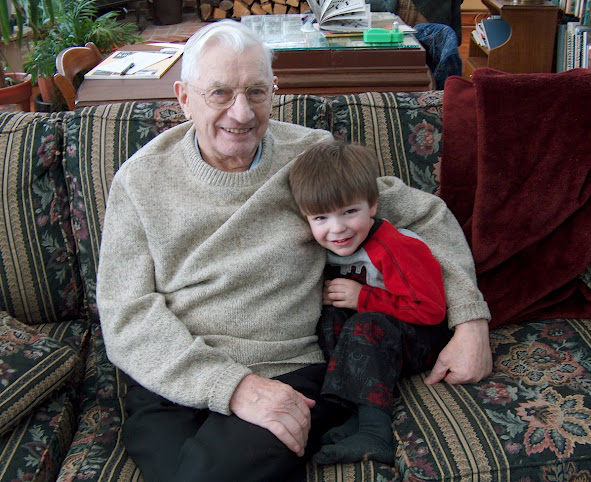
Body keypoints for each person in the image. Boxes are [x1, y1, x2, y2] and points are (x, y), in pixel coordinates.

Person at [96, 19, 492, 482]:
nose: (241, 113)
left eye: (257, 92)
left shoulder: (310, 159)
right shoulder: (141, 180)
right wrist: (232, 386)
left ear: (274, 90)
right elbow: (126, 312)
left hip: (286, 370)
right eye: (220, 93)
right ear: (184, 98)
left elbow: (425, 214)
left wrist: (471, 322)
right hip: (174, 375)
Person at [289, 139, 452, 465]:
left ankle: (375, 434)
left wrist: (362, 297)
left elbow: (431, 310)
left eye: (350, 212)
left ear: (373, 206)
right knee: (332, 317)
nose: (337, 229)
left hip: (424, 336)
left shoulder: (395, 247)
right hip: (381, 337)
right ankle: (352, 414)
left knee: (364, 323)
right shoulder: (328, 247)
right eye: (320, 218)